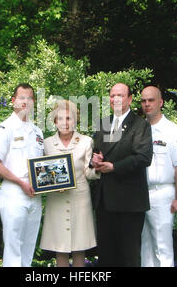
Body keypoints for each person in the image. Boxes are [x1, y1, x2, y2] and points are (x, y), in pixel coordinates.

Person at [91, 83, 153, 267]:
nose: (115, 99)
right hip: (105, 201)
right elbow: (94, 152)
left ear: (130, 99)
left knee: (128, 257)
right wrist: (94, 160)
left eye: (120, 95)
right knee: (106, 256)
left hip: (129, 202)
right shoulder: (103, 123)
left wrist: (115, 167)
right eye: (112, 95)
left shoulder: (141, 125)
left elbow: (143, 157)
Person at [0, 83, 43, 267]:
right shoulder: (4, 129)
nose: (25, 101)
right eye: (21, 97)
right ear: (13, 101)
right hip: (14, 193)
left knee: (28, 249)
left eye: (29, 98)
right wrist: (20, 182)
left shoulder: (37, 132)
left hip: (35, 195)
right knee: (13, 251)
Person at [40, 100, 99, 267]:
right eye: (60, 118)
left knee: (80, 247)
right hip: (56, 199)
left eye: (69, 118)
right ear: (54, 121)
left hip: (80, 197)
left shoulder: (86, 141)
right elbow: (43, 174)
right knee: (61, 246)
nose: (65, 123)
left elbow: (88, 172)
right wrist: (49, 184)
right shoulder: (46, 144)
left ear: (76, 120)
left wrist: (98, 169)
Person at [140, 86, 177, 267]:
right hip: (140, 193)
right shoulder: (139, 129)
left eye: (151, 100)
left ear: (160, 102)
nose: (147, 104)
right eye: (144, 100)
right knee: (145, 246)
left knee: (162, 247)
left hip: (162, 193)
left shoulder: (173, 131)